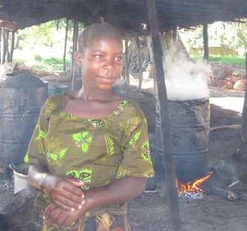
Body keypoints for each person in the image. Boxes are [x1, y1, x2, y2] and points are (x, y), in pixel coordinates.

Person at [25, 23, 154, 231]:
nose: (109, 66)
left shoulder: (129, 115)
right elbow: (33, 166)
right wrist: (48, 182)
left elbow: (137, 181)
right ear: (79, 59)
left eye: (117, 58)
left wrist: (86, 201)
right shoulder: (54, 107)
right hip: (56, 219)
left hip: (105, 223)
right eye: (99, 56)